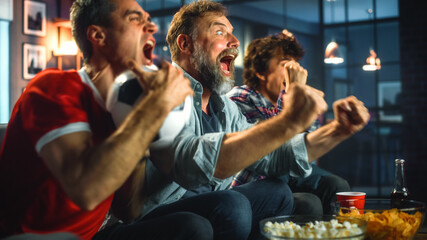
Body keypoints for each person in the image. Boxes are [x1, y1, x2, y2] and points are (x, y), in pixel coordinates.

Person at [125, 1, 367, 240]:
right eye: (220, 31)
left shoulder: (226, 107)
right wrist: (288, 121)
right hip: (157, 212)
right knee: (232, 204)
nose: (235, 41)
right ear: (186, 44)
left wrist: (338, 130)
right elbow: (191, 165)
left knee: (278, 193)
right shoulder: (161, 88)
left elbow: (274, 156)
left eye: (232, 32)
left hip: (207, 205)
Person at [0, 0, 214, 240]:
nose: (151, 28)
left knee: (199, 223)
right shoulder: (53, 87)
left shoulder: (123, 106)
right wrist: (154, 109)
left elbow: (129, 209)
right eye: (135, 19)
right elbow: (86, 191)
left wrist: (143, 135)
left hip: (99, 233)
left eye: (148, 21)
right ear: (98, 36)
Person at [227, 30, 351, 215]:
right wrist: (294, 98)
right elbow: (272, 154)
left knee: (337, 186)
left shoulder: (284, 98)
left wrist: (307, 108)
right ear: (261, 72)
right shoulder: (241, 98)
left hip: (286, 174)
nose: (295, 71)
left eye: (296, 65)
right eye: (285, 64)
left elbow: (306, 155)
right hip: (256, 181)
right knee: (309, 204)